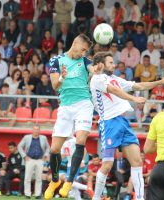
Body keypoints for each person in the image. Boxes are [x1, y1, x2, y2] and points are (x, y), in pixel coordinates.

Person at [89, 52, 164, 200]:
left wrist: (159, 82)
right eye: (110, 62)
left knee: (137, 161)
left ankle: (140, 198)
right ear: (101, 64)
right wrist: (133, 98)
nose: (113, 65)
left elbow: (138, 85)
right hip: (109, 123)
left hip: (123, 123)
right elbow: (113, 90)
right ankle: (96, 198)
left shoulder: (114, 78)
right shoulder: (97, 79)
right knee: (107, 164)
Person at [44, 34, 97, 199]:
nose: (83, 53)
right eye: (82, 49)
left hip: (84, 104)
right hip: (65, 106)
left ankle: (68, 181)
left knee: (80, 141)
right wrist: (62, 77)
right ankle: (54, 181)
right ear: (75, 43)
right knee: (54, 150)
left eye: (86, 51)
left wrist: (97, 70)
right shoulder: (56, 61)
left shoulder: (85, 61)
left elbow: (92, 69)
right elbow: (54, 85)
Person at [18, 125, 50, 199]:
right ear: (32, 130)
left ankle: (38, 194)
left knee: (39, 178)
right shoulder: (26, 137)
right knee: (27, 177)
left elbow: (48, 148)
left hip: (40, 160)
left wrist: (45, 154)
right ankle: (27, 194)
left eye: (37, 129)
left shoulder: (43, 138)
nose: (36, 131)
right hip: (30, 159)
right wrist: (24, 156)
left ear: (39, 130)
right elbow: (19, 146)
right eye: (35, 129)